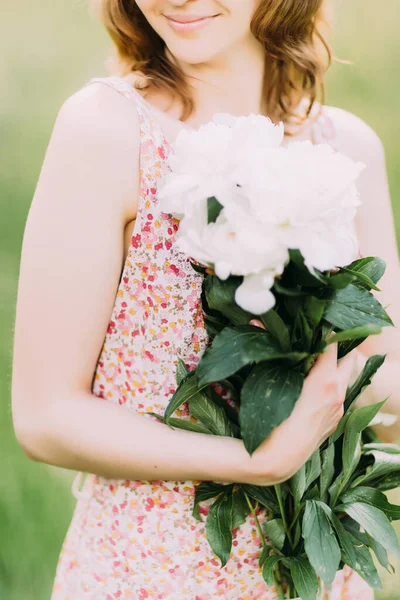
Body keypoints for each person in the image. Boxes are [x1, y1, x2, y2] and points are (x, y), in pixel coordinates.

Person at [11, 0, 400, 598]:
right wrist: (256, 461)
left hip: (319, 579)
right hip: (150, 574)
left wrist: (351, 388)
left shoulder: (345, 148)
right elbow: (44, 417)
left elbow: (385, 382)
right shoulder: (108, 131)